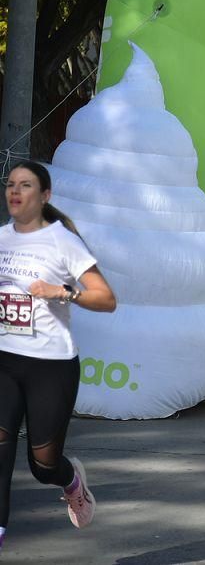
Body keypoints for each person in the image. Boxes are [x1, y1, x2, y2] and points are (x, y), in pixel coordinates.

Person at [0, 161, 117, 552]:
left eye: (26, 185)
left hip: (50, 366)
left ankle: (71, 484)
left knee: (43, 465)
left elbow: (106, 298)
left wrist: (60, 292)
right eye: (11, 184)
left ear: (44, 195)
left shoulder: (62, 242)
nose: (15, 191)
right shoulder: (1, 238)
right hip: (4, 359)